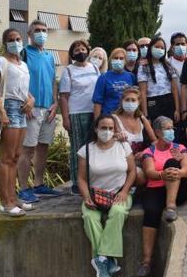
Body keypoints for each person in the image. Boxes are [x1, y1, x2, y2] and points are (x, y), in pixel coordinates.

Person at [77, 114, 136, 277]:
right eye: (103, 128)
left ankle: (100, 259)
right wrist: (86, 196)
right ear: (96, 129)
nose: (107, 131)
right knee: (90, 218)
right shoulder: (86, 150)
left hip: (119, 193)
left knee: (117, 213)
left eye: (111, 128)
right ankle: (106, 261)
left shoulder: (123, 146)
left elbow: (132, 172)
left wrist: (124, 191)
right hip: (95, 195)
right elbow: (81, 178)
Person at [0, 28, 35, 216]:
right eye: (11, 39)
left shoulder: (23, 64)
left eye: (18, 38)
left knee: (15, 157)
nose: (16, 42)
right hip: (9, 108)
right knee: (7, 157)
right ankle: (6, 202)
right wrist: (3, 112)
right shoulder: (1, 61)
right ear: (5, 43)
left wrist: (31, 100)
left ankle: (13, 198)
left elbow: (24, 90)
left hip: (23, 109)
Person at [139, 116, 187, 276]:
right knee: (151, 212)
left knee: (173, 163)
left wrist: (176, 171)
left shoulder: (179, 147)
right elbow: (149, 172)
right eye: (167, 128)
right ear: (157, 132)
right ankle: (146, 261)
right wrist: (163, 174)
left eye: (172, 128)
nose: (171, 131)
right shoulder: (149, 152)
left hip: (177, 190)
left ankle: (171, 206)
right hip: (156, 188)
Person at [17, 20, 61, 203]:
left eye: (44, 30)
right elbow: (16, 77)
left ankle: (39, 184)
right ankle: (23, 189)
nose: (41, 33)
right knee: (27, 150)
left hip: (48, 110)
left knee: (43, 148)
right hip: (31, 110)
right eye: (37, 30)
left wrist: (56, 103)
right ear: (29, 34)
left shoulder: (50, 56)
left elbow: (53, 81)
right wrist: (26, 99)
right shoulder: (24, 53)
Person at [59, 39, 100, 195]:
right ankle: (77, 182)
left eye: (83, 49)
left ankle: (92, 180)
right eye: (77, 50)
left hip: (94, 112)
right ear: (72, 54)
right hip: (76, 113)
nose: (81, 52)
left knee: (94, 147)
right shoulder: (68, 71)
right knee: (78, 148)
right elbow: (63, 97)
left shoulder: (95, 68)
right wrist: (65, 118)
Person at [113, 87, 156, 186]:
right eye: (127, 100)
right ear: (122, 101)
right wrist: (115, 136)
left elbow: (155, 141)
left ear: (138, 102)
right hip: (123, 161)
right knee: (140, 176)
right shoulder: (114, 118)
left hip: (141, 159)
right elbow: (107, 138)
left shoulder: (141, 118)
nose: (130, 102)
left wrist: (145, 152)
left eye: (133, 100)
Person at [138, 37, 180, 124]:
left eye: (162, 48)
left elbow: (175, 89)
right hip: (152, 103)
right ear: (151, 48)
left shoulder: (168, 65)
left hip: (168, 101)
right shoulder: (144, 67)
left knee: (169, 129)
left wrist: (177, 109)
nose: (159, 50)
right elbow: (143, 92)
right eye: (157, 47)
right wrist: (146, 115)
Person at [92, 48, 137, 119]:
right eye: (116, 58)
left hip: (126, 117)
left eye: (121, 58)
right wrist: (97, 121)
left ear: (125, 61)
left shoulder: (131, 76)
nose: (118, 60)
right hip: (109, 117)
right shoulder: (103, 77)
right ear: (111, 60)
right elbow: (97, 102)